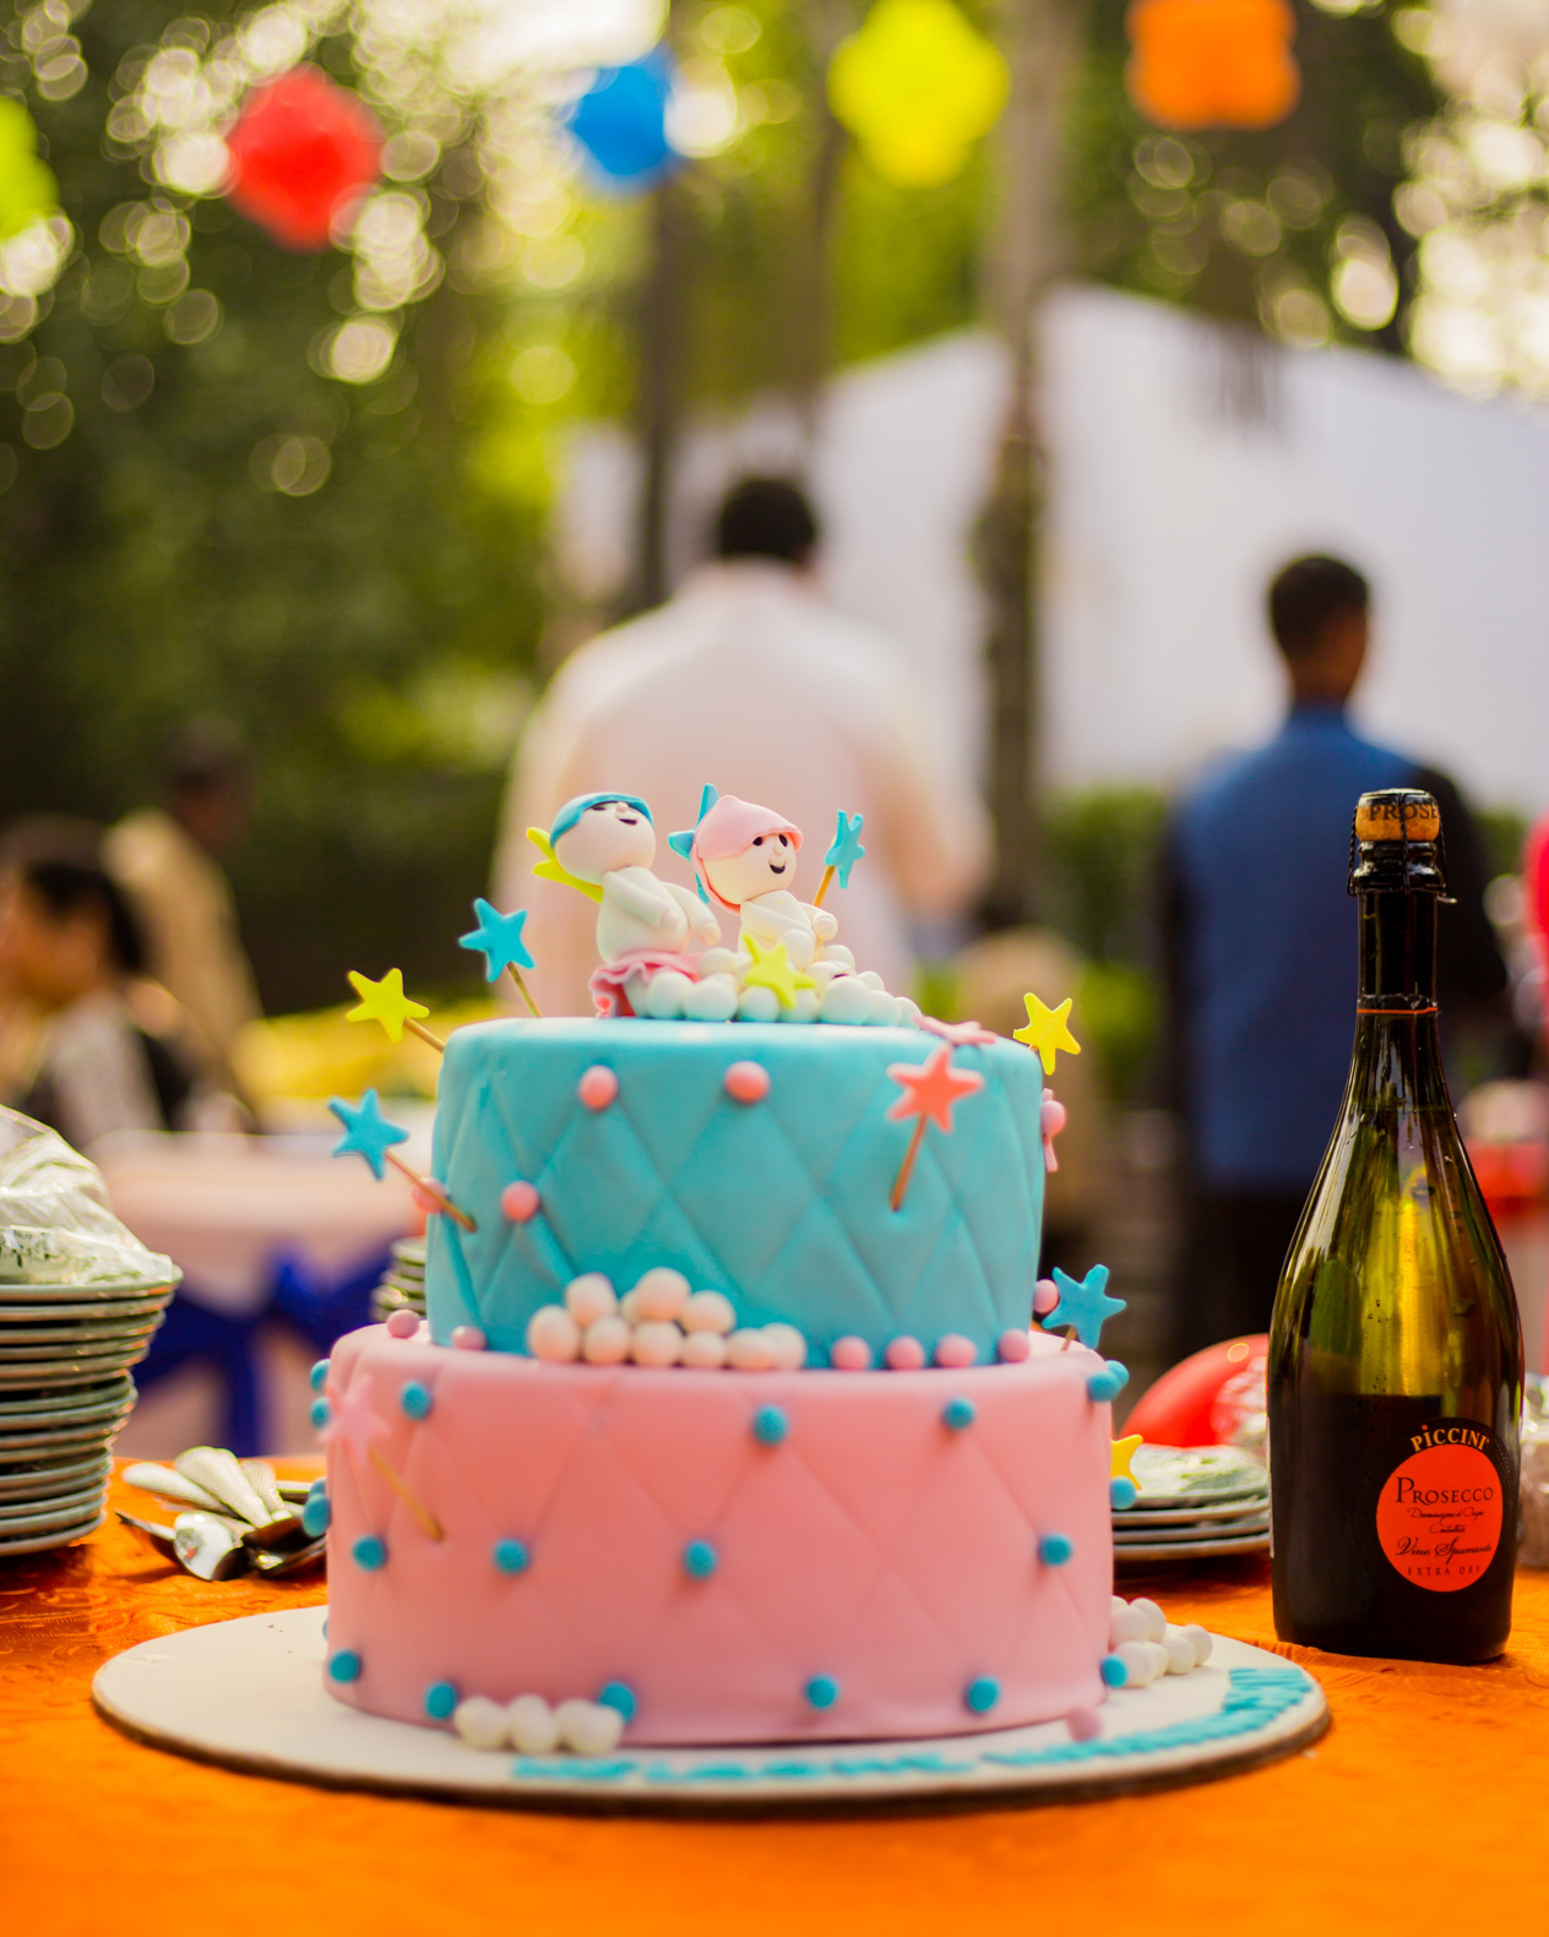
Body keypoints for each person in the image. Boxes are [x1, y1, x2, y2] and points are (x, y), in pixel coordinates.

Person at [1162, 554, 1507, 1355]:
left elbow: (1179, 994)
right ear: (1353, 634)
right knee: (1388, 1390)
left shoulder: (1202, 801)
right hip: (1388, 1165)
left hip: (1238, 1155)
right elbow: (1481, 977)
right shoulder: (1412, 797)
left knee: (1260, 1393)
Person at [493, 476, 989, 1014]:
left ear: (708, 556)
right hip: (831, 1032)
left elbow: (539, 885)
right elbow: (946, 871)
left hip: (639, 1044)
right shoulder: (872, 677)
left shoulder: (602, 678)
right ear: (812, 561)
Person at [0, 817, 203, 1153]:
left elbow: (122, 1186)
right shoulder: (118, 1021)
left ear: (84, 927)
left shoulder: (93, 1036)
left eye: (13, 926)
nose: (4, 949)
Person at [105, 721, 261, 1105]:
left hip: (207, 1078)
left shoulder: (195, 867)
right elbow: (128, 979)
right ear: (203, 799)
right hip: (163, 1077)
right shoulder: (141, 862)